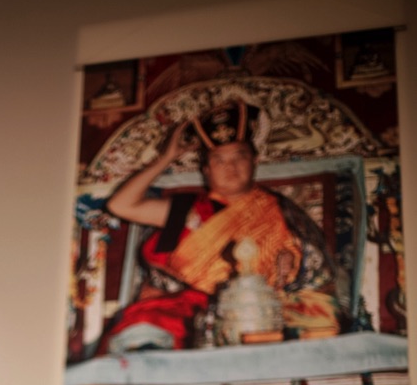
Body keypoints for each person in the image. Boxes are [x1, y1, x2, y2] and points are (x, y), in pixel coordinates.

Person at [97, 99, 342, 354]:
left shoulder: (280, 210)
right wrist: (166, 157)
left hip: (268, 309)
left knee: (319, 316)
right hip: (195, 311)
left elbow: (316, 275)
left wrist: (290, 268)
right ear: (206, 169)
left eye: (239, 157)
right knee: (144, 327)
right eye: (219, 160)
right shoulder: (186, 209)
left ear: (255, 160)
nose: (230, 167)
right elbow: (120, 205)